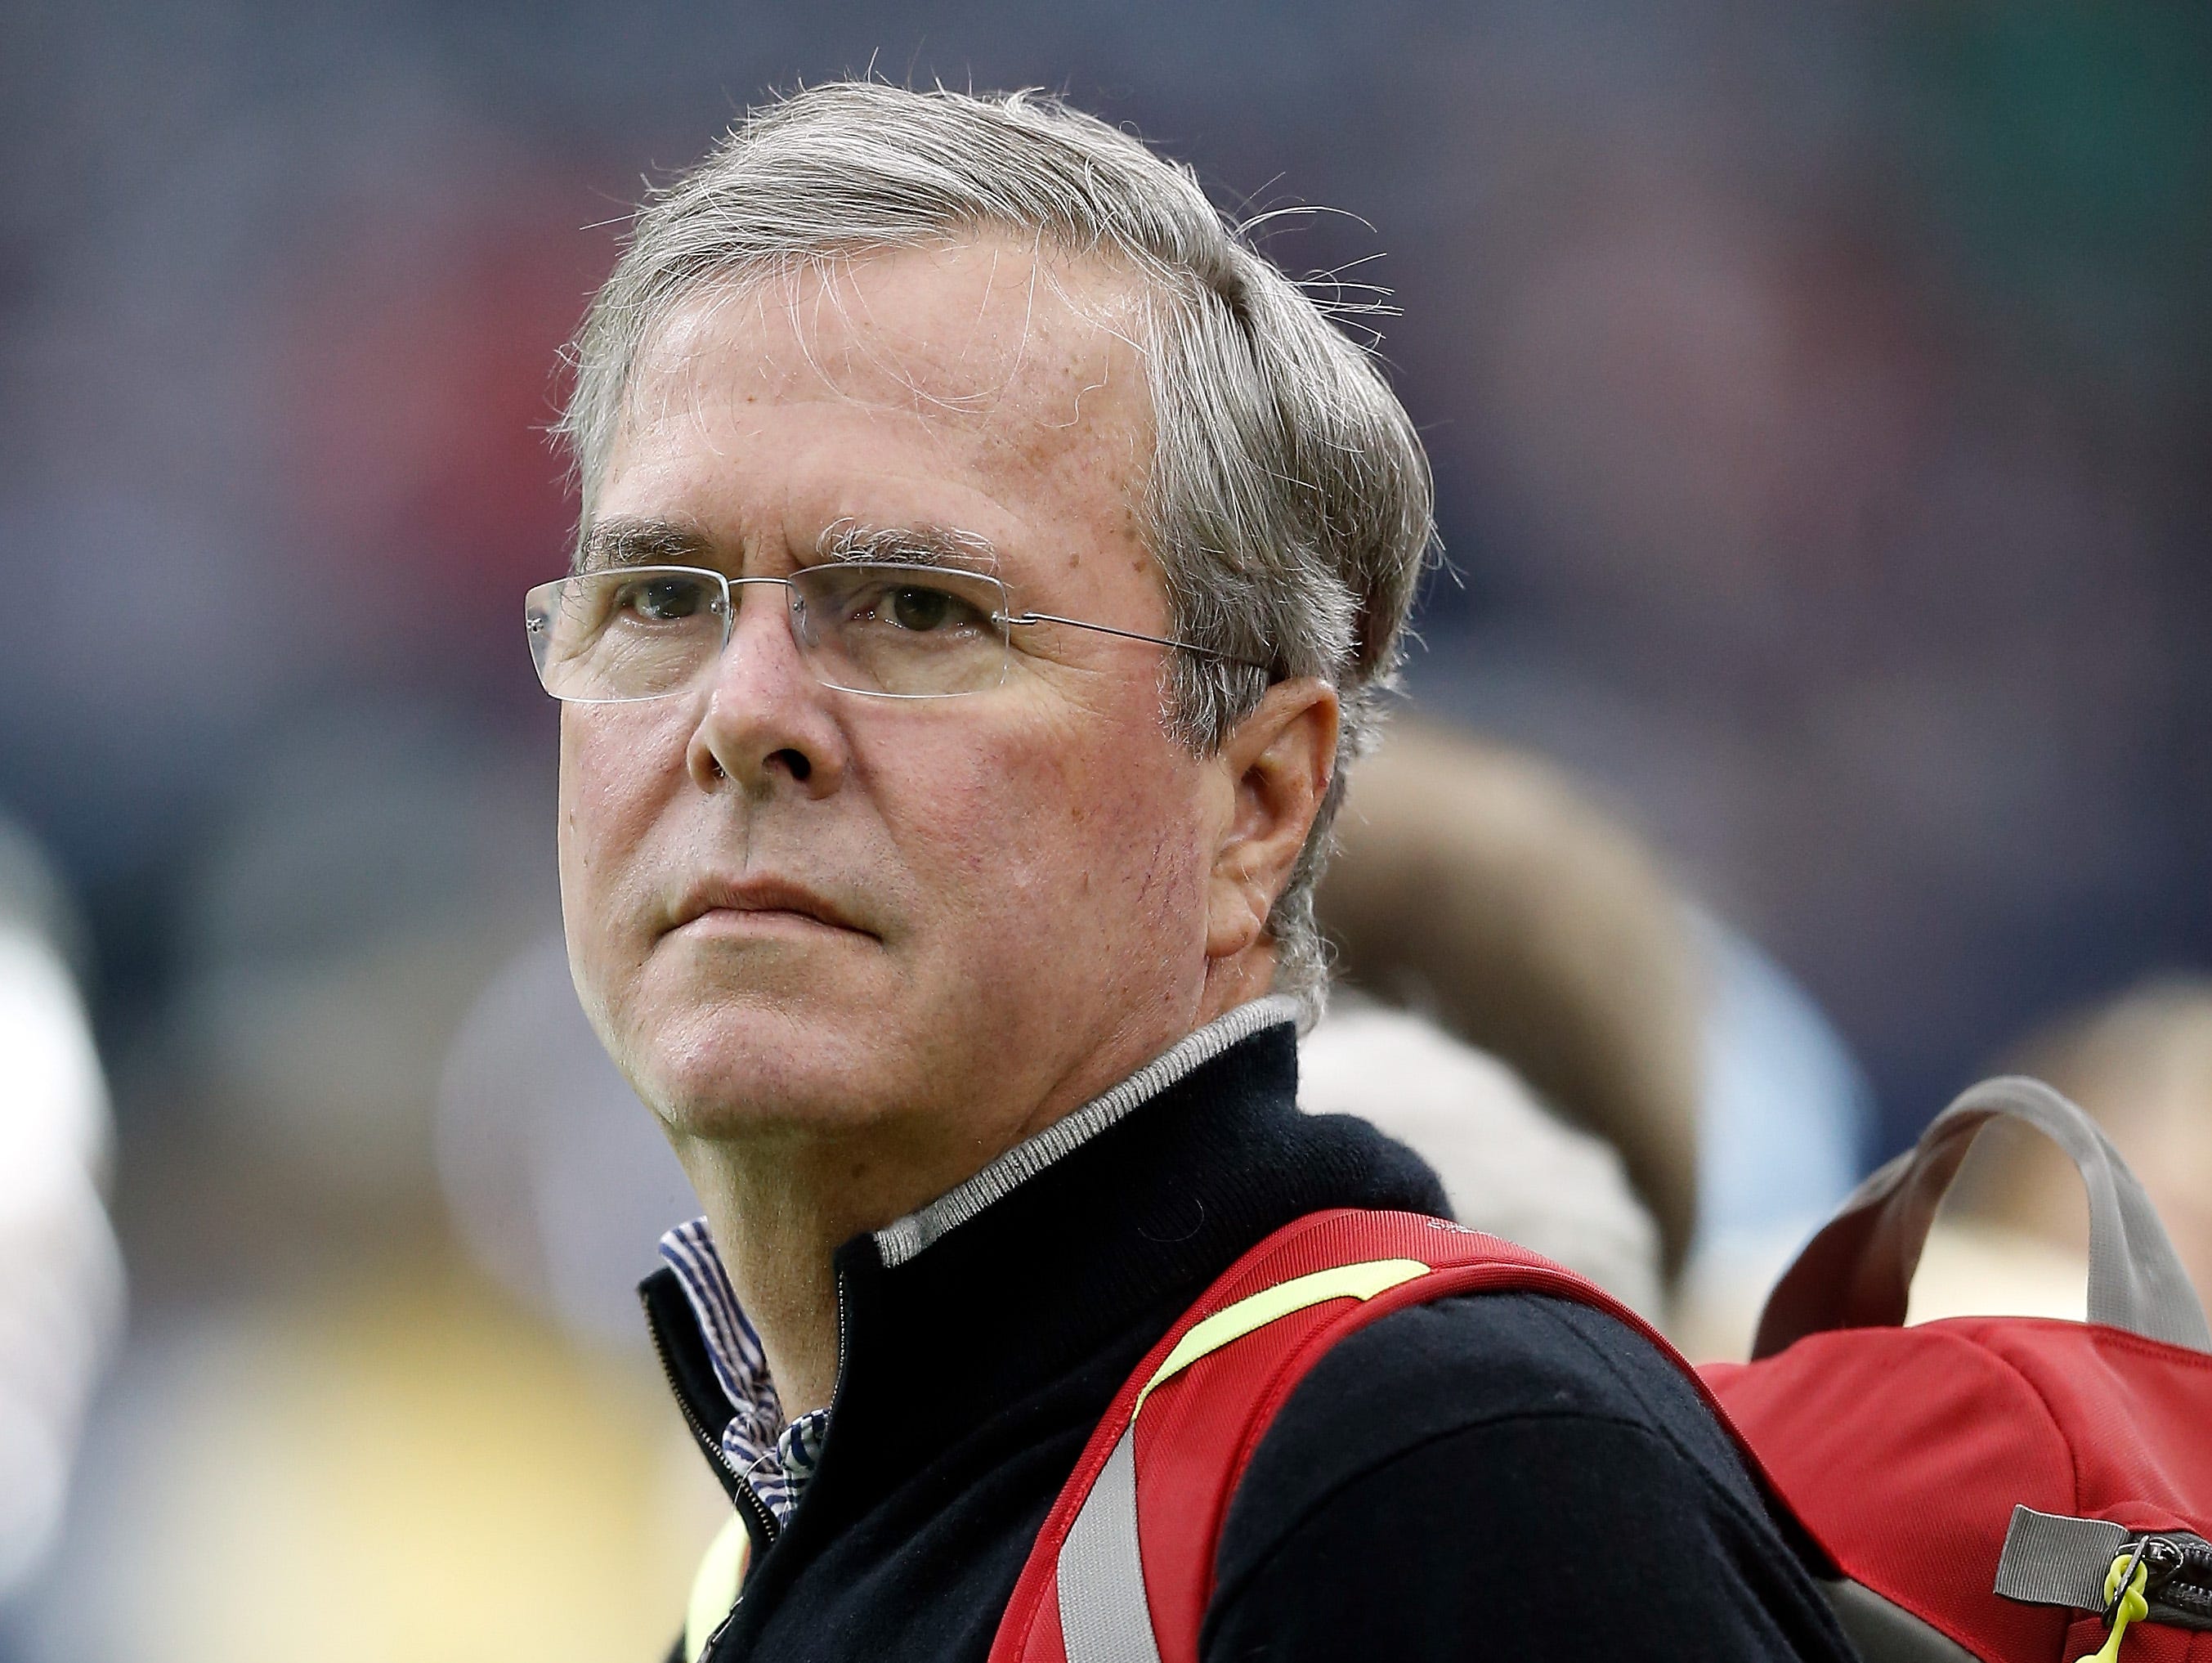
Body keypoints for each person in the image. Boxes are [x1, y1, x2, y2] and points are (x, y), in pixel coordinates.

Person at [533, 82, 1854, 1661]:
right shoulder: (791, 1546)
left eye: (915, 607)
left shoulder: (1442, 1473)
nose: (743, 716)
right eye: (662, 594)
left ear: (1257, 800)